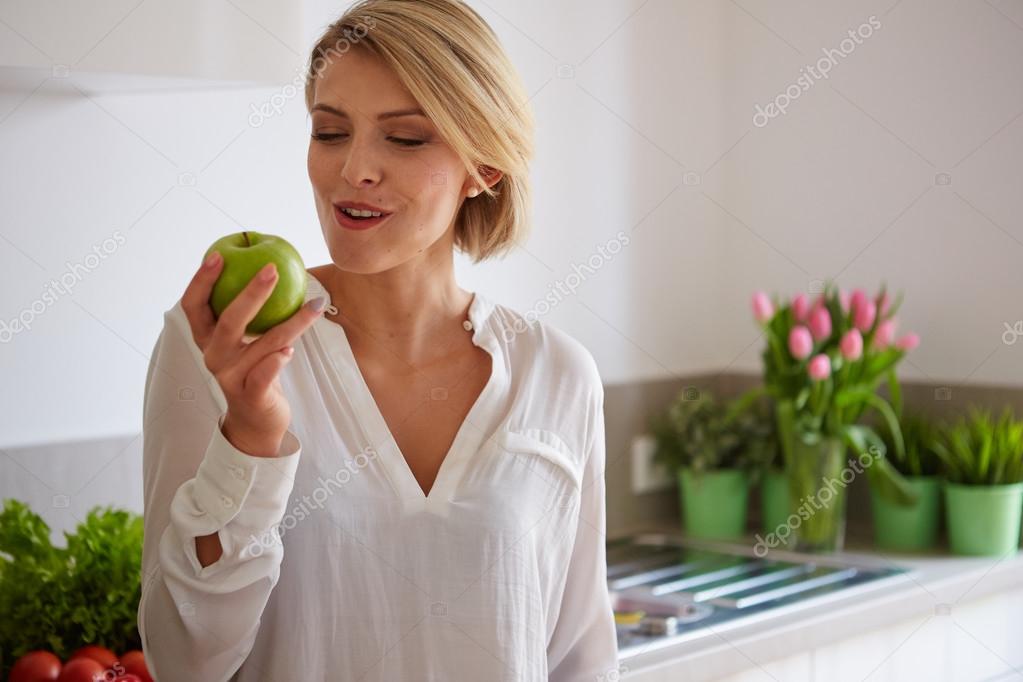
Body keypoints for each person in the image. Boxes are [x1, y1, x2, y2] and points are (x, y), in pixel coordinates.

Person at [137, 0, 618, 679]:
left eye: (406, 138)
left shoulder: (557, 373)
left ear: (483, 166)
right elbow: (183, 660)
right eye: (330, 132)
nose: (353, 169)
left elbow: (579, 658)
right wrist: (248, 439)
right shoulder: (222, 345)